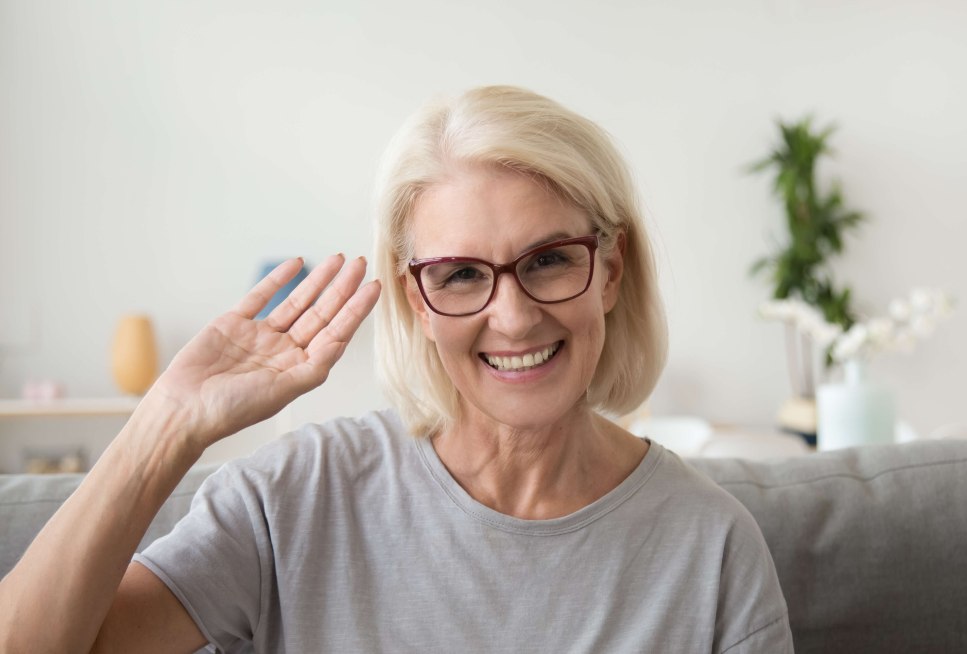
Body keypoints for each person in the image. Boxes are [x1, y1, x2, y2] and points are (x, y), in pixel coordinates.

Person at [0, 86, 792, 653]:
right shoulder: (298, 496)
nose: (513, 317)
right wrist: (165, 424)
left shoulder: (711, 548)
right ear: (415, 297)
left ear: (612, 270)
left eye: (549, 260)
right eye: (460, 275)